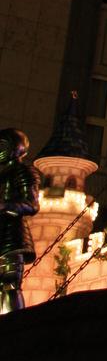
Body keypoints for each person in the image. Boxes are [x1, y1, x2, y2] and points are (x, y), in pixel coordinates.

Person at [0, 128, 38, 314]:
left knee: (10, 285)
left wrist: (4, 205)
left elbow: (31, 204)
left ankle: (13, 328)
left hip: (12, 238)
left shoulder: (22, 171)